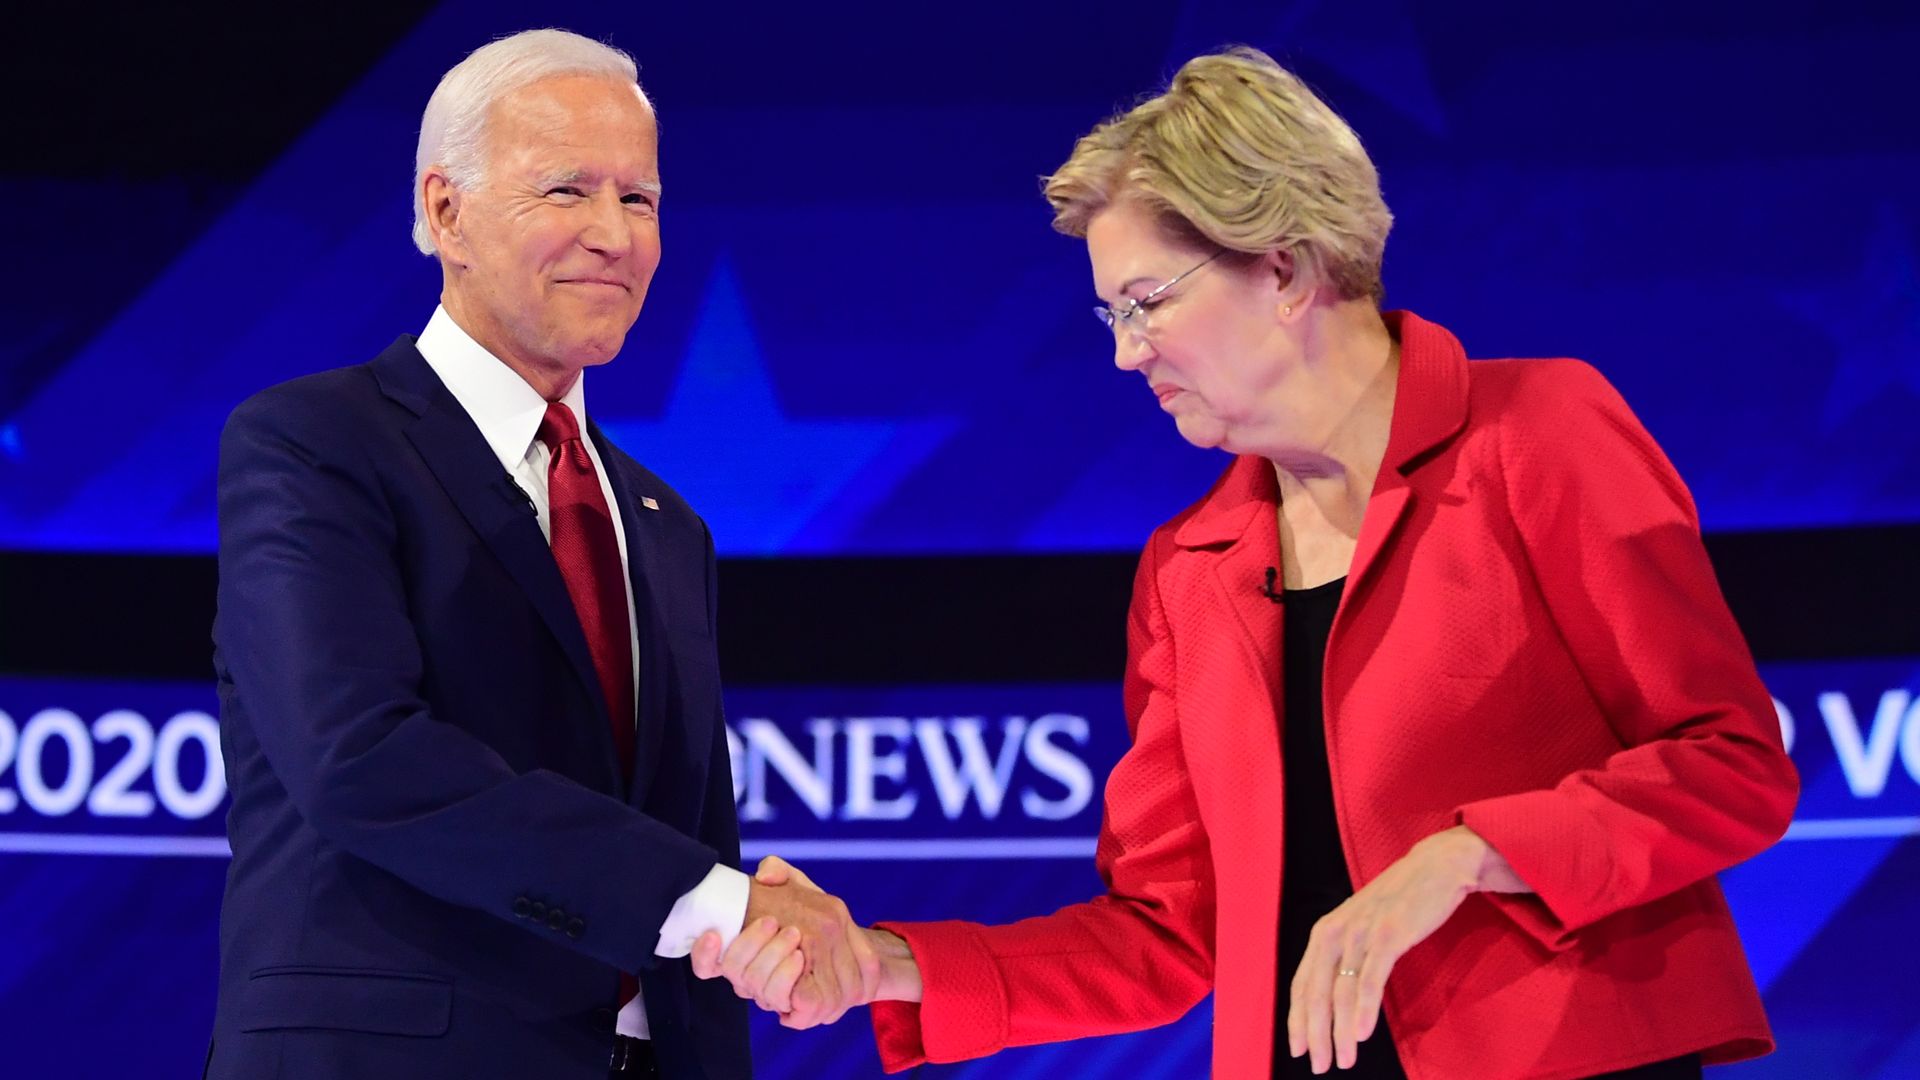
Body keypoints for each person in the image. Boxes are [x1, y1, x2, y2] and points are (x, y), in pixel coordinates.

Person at [694, 46, 1798, 1079]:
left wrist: (1462, 855)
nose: (1125, 354)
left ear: (1283, 265)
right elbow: (1167, 932)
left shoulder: (1539, 433)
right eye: (1108, 316)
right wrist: (887, 961)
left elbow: (1729, 764)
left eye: (1146, 304)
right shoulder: (1190, 568)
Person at [207, 29, 873, 1080]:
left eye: (640, 199)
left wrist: (744, 940)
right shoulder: (312, 444)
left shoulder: (667, 524)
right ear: (445, 212)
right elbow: (362, 758)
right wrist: (721, 902)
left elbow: (688, 828)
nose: (614, 233)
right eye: (567, 190)